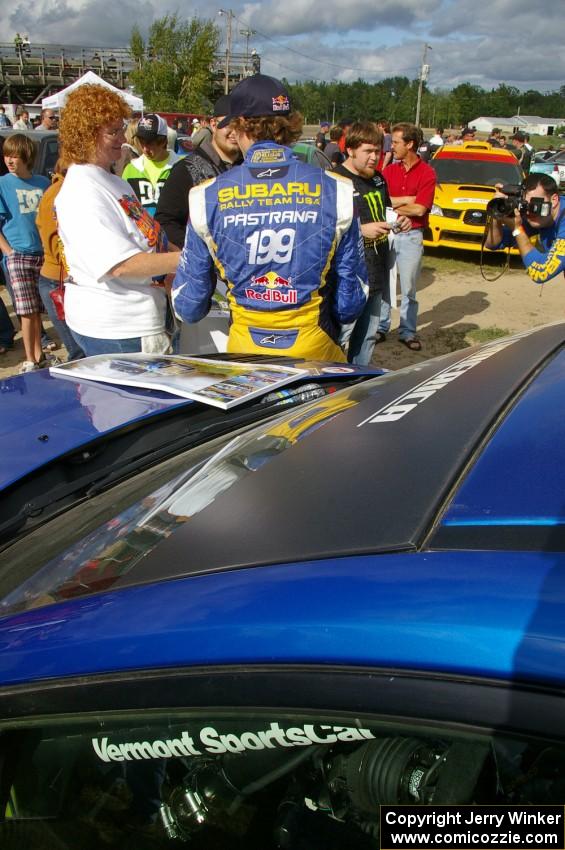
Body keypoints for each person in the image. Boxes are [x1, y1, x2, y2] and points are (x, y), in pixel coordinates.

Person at [172, 73, 367, 362]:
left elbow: (188, 307)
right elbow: (349, 305)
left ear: (237, 126)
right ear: (291, 126)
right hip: (316, 352)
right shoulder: (338, 189)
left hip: (246, 354)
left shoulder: (204, 195)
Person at [55, 84, 179, 356]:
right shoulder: (81, 192)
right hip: (118, 329)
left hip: (143, 316)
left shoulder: (112, 181)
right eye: (113, 132)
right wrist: (193, 257)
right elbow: (121, 265)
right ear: (84, 136)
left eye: (122, 128)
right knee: (140, 399)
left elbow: (146, 238)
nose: (123, 138)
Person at [334, 122, 410, 365]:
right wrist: (360, 230)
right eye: (368, 151)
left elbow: (386, 211)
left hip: (375, 270)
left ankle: (358, 384)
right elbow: (323, 229)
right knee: (337, 337)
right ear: (350, 150)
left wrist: (400, 220)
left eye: (377, 151)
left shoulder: (378, 179)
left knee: (367, 337)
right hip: (344, 276)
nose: (374, 158)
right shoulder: (334, 180)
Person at [377, 122, 436, 351]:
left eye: (396, 142)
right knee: (385, 284)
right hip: (388, 234)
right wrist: (408, 200)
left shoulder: (427, 173)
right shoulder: (389, 171)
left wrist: (397, 205)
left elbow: (421, 209)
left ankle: (407, 331)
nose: (392, 147)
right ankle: (382, 326)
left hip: (412, 236)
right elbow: (382, 202)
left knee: (409, 287)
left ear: (410, 144)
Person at [155, 94, 240, 250]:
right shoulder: (186, 169)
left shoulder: (249, 167)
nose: (235, 132)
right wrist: (200, 252)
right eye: (229, 124)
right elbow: (166, 222)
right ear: (213, 124)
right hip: (205, 269)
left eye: (240, 125)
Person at [0, 134, 50, 371]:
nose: (10, 160)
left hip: (44, 254)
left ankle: (39, 355)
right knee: (26, 311)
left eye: (15, 155)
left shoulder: (42, 182)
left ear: (26, 156)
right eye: (7, 155)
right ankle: (30, 358)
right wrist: (9, 252)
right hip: (18, 254)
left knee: (40, 309)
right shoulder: (2, 184)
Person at [36, 160, 85, 361]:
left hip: (67, 279)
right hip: (59, 282)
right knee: (80, 354)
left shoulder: (69, 190)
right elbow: (54, 241)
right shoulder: (58, 193)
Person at [484, 173, 565, 284]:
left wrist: (517, 229)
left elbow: (541, 272)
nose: (529, 212)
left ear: (554, 200)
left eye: (535, 206)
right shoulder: (540, 217)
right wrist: (497, 210)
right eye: (525, 205)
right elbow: (492, 243)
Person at [121, 113, 182, 217]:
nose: (144, 148)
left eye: (149, 143)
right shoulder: (130, 169)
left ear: (163, 141)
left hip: (173, 232)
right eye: (141, 141)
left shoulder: (182, 167)